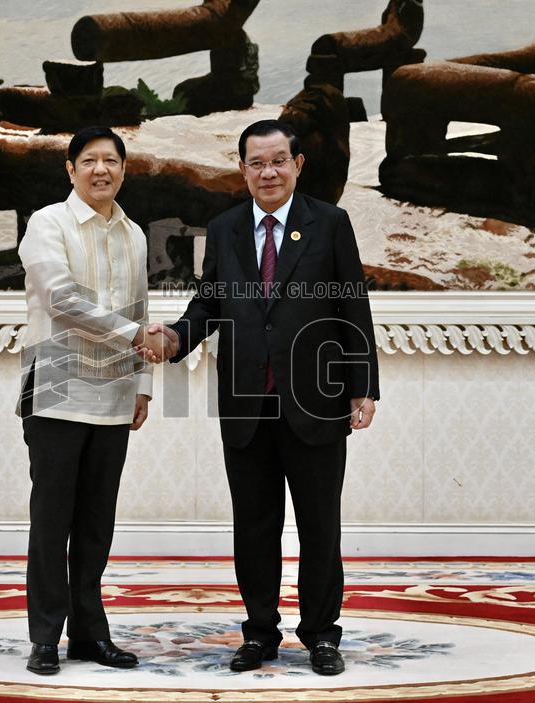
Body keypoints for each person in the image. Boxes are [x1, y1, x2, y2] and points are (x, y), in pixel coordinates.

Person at [140, 119, 379, 676]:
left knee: (320, 526)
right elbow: (209, 303)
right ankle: (259, 633)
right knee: (254, 527)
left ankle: (321, 635)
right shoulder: (224, 228)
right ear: (242, 168)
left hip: (316, 401)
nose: (267, 172)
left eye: (278, 161)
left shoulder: (330, 223)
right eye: (256, 163)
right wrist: (175, 338)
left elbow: (353, 306)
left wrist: (362, 385)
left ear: (298, 165)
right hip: (247, 403)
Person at [17, 125, 175, 675]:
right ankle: (45, 637)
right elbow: (60, 300)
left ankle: (89, 634)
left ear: (124, 170)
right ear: (70, 169)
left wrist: (143, 384)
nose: (100, 169)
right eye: (89, 160)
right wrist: (135, 337)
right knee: (51, 520)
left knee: (95, 523)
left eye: (111, 160)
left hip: (113, 394)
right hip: (56, 388)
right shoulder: (47, 223)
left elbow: (139, 306)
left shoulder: (133, 234)